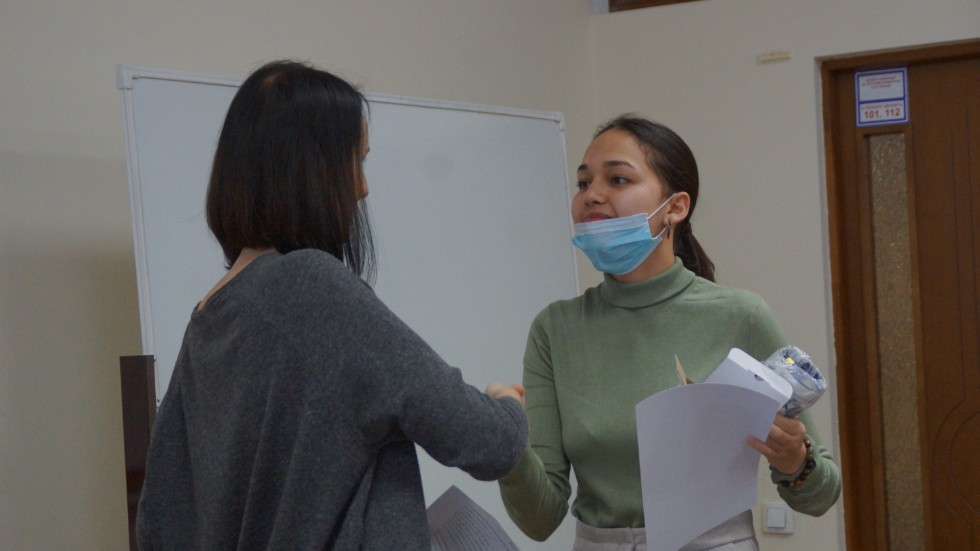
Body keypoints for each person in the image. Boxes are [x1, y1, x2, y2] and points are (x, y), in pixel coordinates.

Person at [136, 60, 528, 550]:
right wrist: (507, 405)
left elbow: (159, 523)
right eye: (356, 160)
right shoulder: (313, 288)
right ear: (307, 168)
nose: (363, 188)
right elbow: (487, 442)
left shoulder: (208, 316)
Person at [498, 115, 841, 550]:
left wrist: (797, 459)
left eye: (618, 179)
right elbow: (541, 518)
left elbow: (822, 495)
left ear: (676, 207)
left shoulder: (740, 315)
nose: (593, 196)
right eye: (583, 183)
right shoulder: (556, 329)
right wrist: (504, 446)